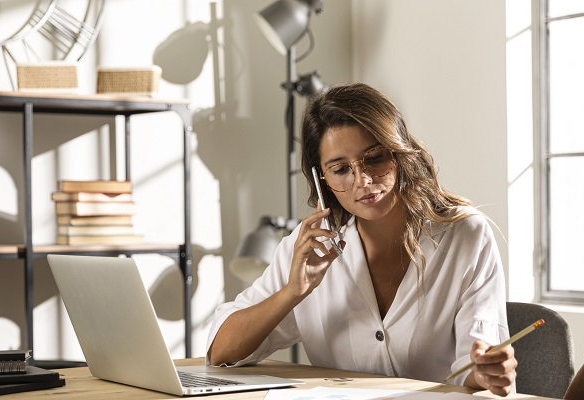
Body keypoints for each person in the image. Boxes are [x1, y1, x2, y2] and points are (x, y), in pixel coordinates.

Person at [207, 83, 516, 396]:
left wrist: (487, 372)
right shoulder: (308, 249)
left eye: (375, 158)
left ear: (399, 152)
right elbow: (221, 352)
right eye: (341, 169)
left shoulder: (465, 236)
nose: (363, 180)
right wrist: (292, 292)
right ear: (322, 179)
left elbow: (476, 366)